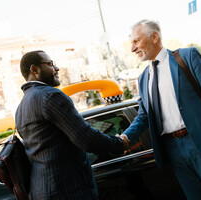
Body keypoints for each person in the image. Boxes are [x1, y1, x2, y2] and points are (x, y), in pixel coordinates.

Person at [120, 19, 201, 200]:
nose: (132, 48)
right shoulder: (143, 77)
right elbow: (144, 115)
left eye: (136, 41)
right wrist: (125, 137)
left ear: (154, 37)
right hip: (172, 150)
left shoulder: (187, 57)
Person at [15, 50, 128, 200]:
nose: (57, 68)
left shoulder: (21, 107)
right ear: (34, 69)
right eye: (50, 64)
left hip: (41, 191)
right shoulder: (50, 95)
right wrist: (119, 142)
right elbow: (86, 138)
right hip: (67, 190)